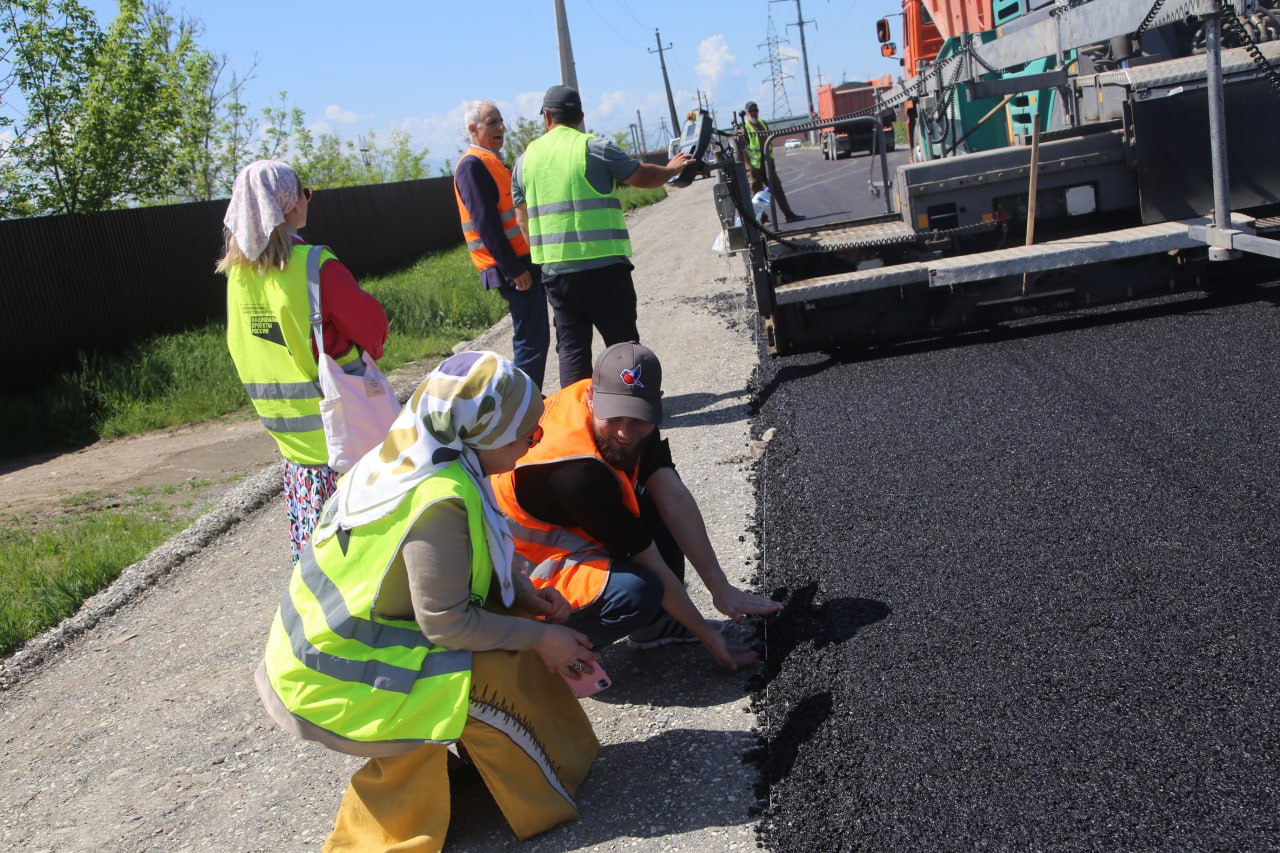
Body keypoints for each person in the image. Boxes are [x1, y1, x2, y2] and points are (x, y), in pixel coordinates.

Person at [255, 351, 600, 849]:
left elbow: (462, 566)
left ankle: (506, 769)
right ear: (481, 430)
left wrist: (522, 595)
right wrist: (543, 636)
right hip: (333, 674)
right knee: (447, 692)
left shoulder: (419, 454)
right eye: (526, 431)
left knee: (507, 638)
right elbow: (446, 623)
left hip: (327, 646)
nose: (535, 440)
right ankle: (379, 837)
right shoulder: (438, 498)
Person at [491, 341, 783, 671]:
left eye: (638, 420)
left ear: (654, 405)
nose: (625, 433)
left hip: (568, 526)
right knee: (637, 592)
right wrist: (705, 634)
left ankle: (658, 626)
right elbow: (646, 557)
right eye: (614, 418)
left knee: (647, 494)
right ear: (591, 399)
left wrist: (721, 588)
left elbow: (671, 494)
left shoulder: (619, 398)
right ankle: (543, 654)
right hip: (528, 570)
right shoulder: (575, 473)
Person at [219, 159, 389, 563]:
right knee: (370, 562)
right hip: (344, 447)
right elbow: (374, 334)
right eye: (305, 193)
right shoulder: (313, 266)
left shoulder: (236, 277)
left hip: (294, 457)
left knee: (321, 566)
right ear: (291, 204)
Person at [512, 84, 692, 389]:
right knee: (622, 345)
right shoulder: (594, 147)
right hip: (605, 270)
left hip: (557, 275)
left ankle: (579, 420)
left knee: (571, 349)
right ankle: (630, 408)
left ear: (546, 118)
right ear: (580, 117)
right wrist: (672, 168)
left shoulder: (524, 161)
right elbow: (644, 176)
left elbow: (522, 221)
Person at [454, 100, 551, 389]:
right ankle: (523, 406)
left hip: (521, 262)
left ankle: (525, 403)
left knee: (534, 335)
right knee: (531, 338)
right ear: (473, 129)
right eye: (493, 122)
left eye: (501, 121)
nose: (501, 128)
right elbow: (486, 224)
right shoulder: (472, 166)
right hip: (511, 267)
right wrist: (512, 269)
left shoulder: (490, 162)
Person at [741, 101, 804, 224]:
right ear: (747, 113)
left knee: (777, 188)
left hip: (767, 163)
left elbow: (769, 143)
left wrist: (772, 161)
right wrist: (748, 166)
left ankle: (789, 214)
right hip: (754, 166)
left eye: (755, 110)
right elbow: (742, 148)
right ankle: (762, 219)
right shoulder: (744, 127)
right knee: (757, 194)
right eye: (751, 111)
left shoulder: (763, 124)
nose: (754, 113)